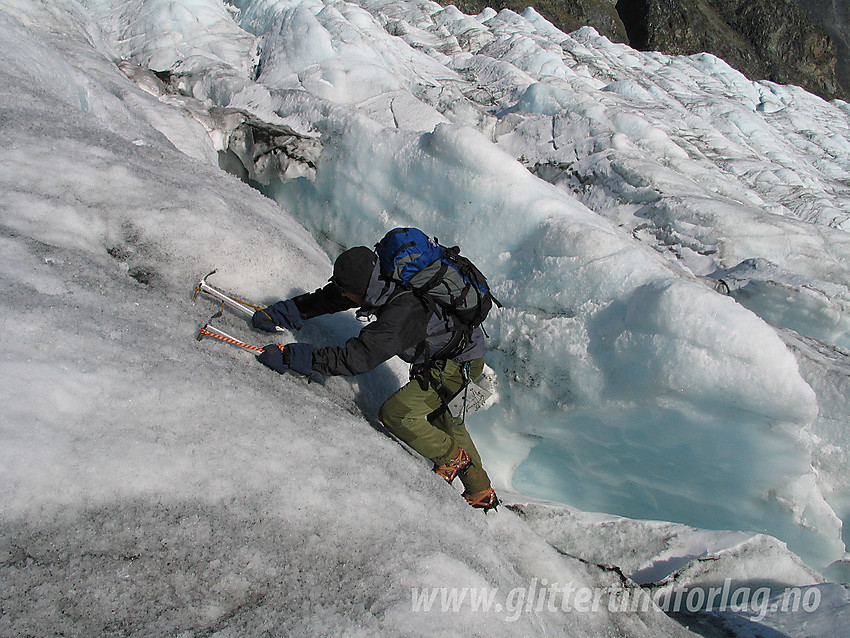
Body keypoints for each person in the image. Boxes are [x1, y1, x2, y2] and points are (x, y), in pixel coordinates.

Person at [252, 243, 499, 511]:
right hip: (457, 353)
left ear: (359, 289)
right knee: (448, 421)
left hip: (458, 366)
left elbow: (358, 358)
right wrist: (286, 311)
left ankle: (451, 459)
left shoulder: (401, 313)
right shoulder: (379, 277)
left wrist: (294, 357)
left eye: (346, 290)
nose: (343, 293)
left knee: (398, 414)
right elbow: (332, 297)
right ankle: (480, 491)